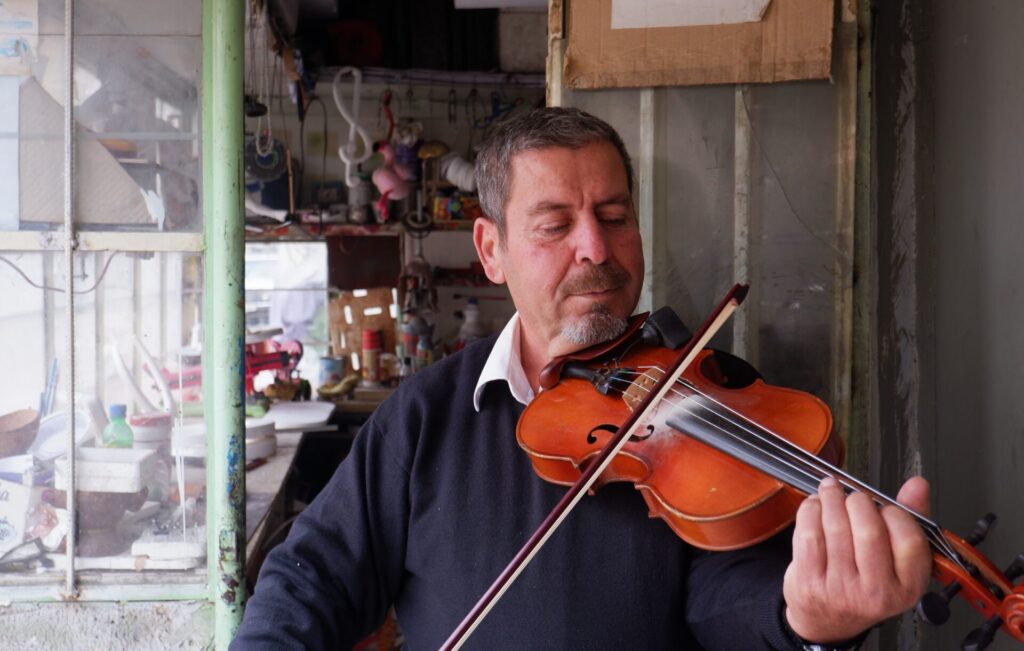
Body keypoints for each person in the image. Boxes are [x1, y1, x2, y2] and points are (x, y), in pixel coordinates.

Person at [233, 107, 932, 650]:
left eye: (614, 216)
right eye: (555, 224)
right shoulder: (423, 416)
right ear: (491, 249)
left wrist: (806, 617)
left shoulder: (705, 402)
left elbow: (732, 601)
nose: (595, 248)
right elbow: (311, 577)